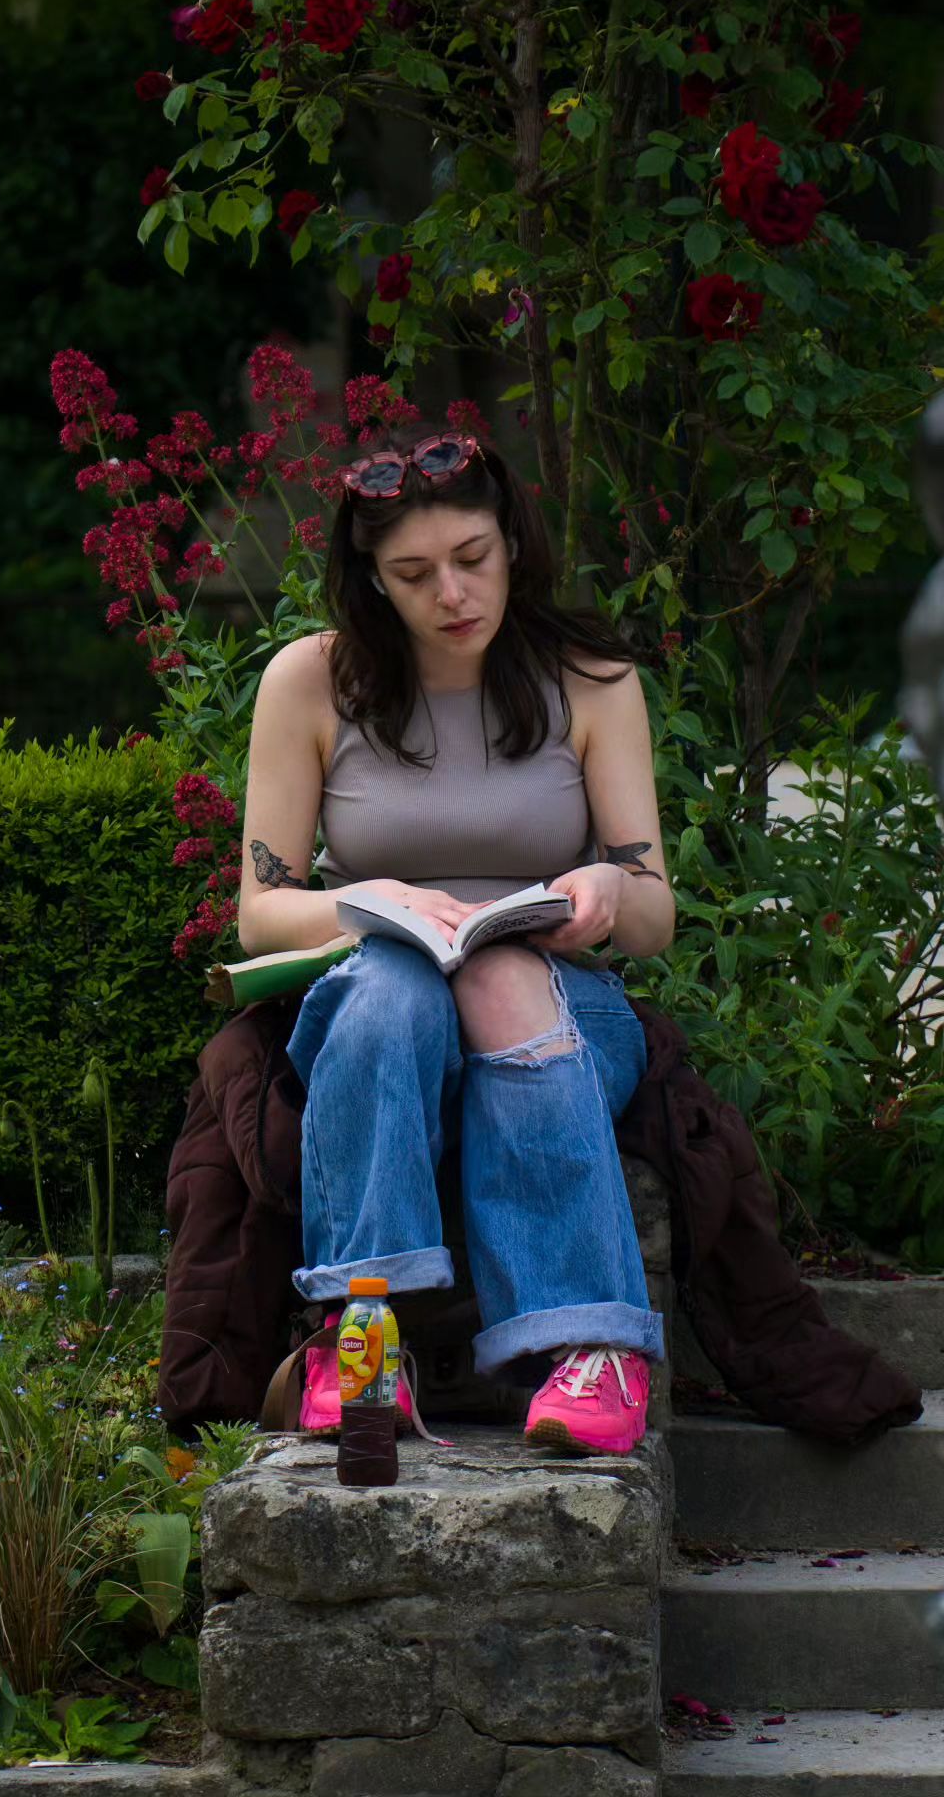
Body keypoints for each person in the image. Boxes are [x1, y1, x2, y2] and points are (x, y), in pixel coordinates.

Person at [237, 427, 678, 1455]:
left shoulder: (592, 679)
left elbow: (655, 917)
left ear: (512, 543)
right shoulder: (310, 682)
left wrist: (608, 885)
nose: (452, 594)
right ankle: (361, 1347)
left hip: (559, 1008)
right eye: (414, 573)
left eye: (472, 559)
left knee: (500, 981)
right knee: (394, 986)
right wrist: (372, 901)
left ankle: (594, 1351)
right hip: (379, 1014)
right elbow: (260, 912)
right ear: (371, 581)